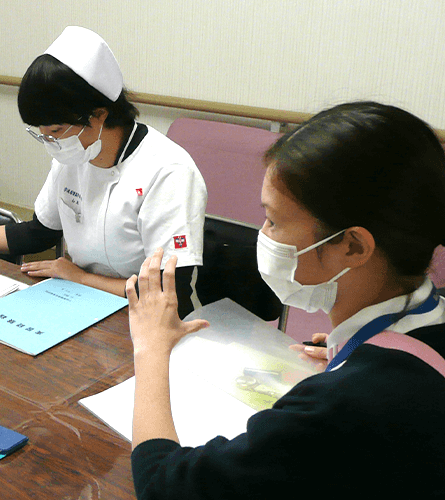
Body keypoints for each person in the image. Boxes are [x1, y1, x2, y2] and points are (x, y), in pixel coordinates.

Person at [126, 101, 445, 498]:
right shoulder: (426, 325)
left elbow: (163, 487)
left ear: (352, 246)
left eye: (273, 221)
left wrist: (152, 348)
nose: (262, 234)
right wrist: (352, 357)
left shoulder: (343, 408)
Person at [0, 26, 206, 317]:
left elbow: (170, 292)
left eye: (57, 130)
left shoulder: (168, 171)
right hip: (86, 302)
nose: (52, 142)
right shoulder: (74, 155)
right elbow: (38, 233)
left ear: (99, 114)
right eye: (43, 133)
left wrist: (81, 278)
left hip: (158, 319)